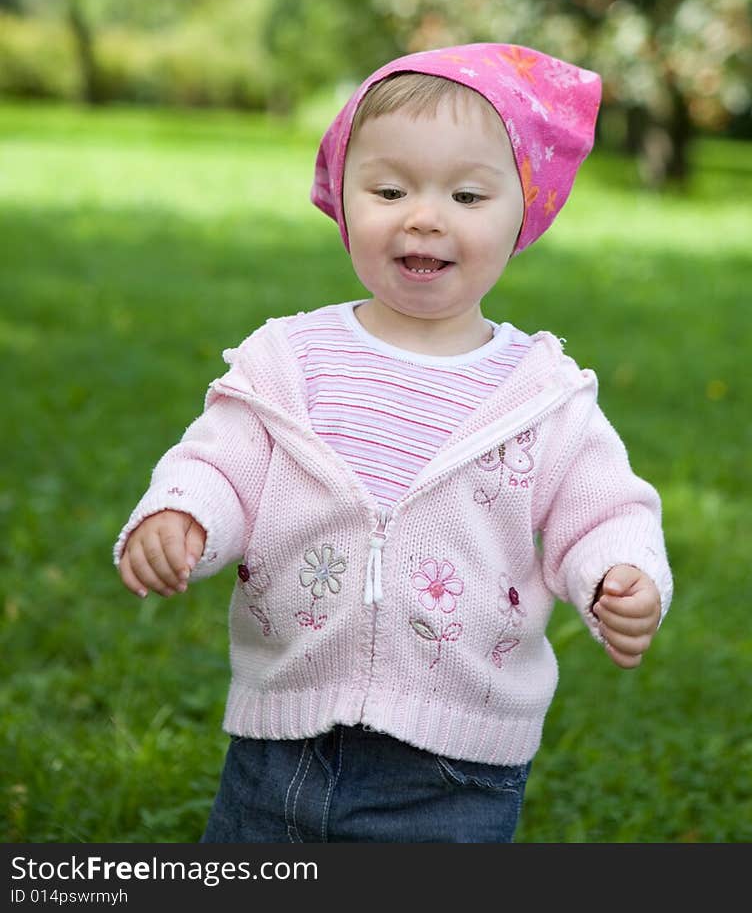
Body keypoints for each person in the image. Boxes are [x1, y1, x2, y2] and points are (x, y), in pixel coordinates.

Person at [115, 41, 673, 844]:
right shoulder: (291, 359)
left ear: (528, 212)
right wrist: (184, 515)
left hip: (455, 769)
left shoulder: (540, 393)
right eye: (388, 188)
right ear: (342, 198)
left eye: (469, 194)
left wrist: (620, 572)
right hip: (280, 741)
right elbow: (223, 462)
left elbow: (603, 507)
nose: (424, 215)